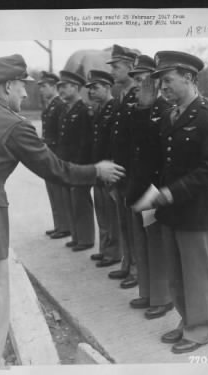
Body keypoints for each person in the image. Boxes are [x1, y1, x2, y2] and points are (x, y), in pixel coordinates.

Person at [0, 54, 125, 366]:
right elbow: (57, 170)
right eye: (23, 86)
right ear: (8, 85)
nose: (26, 93)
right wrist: (97, 171)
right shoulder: (13, 124)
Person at [150, 51, 208, 353]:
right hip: (171, 211)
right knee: (177, 273)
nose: (163, 88)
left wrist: (172, 192)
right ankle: (187, 321)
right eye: (160, 82)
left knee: (196, 275)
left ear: (190, 78)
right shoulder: (171, 114)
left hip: (196, 211)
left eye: (167, 80)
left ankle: (200, 330)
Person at [125, 55, 174, 319]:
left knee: (155, 245)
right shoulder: (140, 107)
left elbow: (161, 150)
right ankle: (147, 292)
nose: (137, 83)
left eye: (142, 78)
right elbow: (133, 146)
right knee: (141, 244)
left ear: (155, 81)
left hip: (154, 187)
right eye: (134, 78)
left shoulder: (165, 108)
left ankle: (162, 297)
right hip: (138, 183)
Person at [106, 44, 138, 289]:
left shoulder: (139, 93)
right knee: (123, 220)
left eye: (117, 66)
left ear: (131, 66)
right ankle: (128, 262)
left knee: (135, 222)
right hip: (121, 169)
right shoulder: (121, 94)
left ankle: (137, 268)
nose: (113, 71)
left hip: (133, 170)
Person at [86, 70, 122, 267]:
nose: (91, 92)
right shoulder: (99, 109)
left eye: (95, 87)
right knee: (101, 211)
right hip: (98, 168)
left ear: (108, 87)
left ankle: (114, 252)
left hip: (109, 168)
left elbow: (115, 142)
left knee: (111, 213)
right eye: (90, 89)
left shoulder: (115, 107)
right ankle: (105, 248)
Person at [57, 70, 95, 252]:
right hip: (66, 164)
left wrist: (79, 166)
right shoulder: (66, 110)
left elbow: (85, 142)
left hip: (79, 165)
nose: (61, 90)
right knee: (70, 201)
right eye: (59, 87)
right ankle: (76, 235)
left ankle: (86, 238)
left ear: (76, 87)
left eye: (64, 86)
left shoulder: (83, 110)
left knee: (80, 201)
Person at [37, 71, 70, 239]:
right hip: (49, 151)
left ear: (53, 87)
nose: (41, 90)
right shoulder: (50, 105)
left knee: (59, 190)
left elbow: (61, 134)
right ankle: (59, 224)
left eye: (44, 86)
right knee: (52, 190)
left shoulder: (60, 105)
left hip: (57, 153)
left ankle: (65, 226)